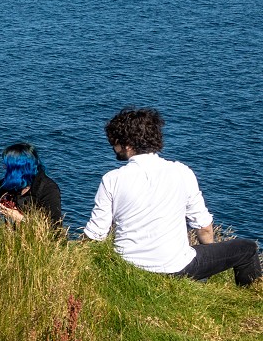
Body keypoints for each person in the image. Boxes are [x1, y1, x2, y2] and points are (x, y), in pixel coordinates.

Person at [83, 107, 261, 286]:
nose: (112, 147)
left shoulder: (112, 179)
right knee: (248, 249)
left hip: (128, 267)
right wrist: (206, 270)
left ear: (127, 145)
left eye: (114, 142)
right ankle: (248, 299)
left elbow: (96, 235)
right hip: (177, 268)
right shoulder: (182, 172)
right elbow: (204, 228)